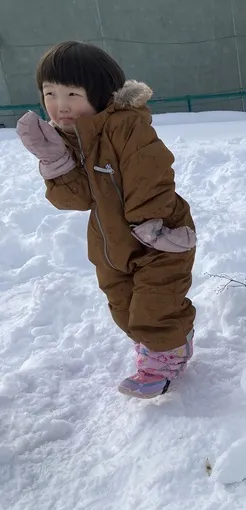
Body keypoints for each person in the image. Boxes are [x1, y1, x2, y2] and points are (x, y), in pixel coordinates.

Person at [15, 41, 197, 399]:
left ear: (99, 94)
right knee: (124, 308)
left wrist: (149, 222)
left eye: (72, 93)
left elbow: (150, 170)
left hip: (157, 237)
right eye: (49, 93)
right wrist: (55, 160)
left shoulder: (126, 127)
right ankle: (167, 343)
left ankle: (165, 359)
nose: (59, 104)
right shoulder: (71, 137)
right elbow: (77, 198)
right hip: (111, 243)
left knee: (155, 305)